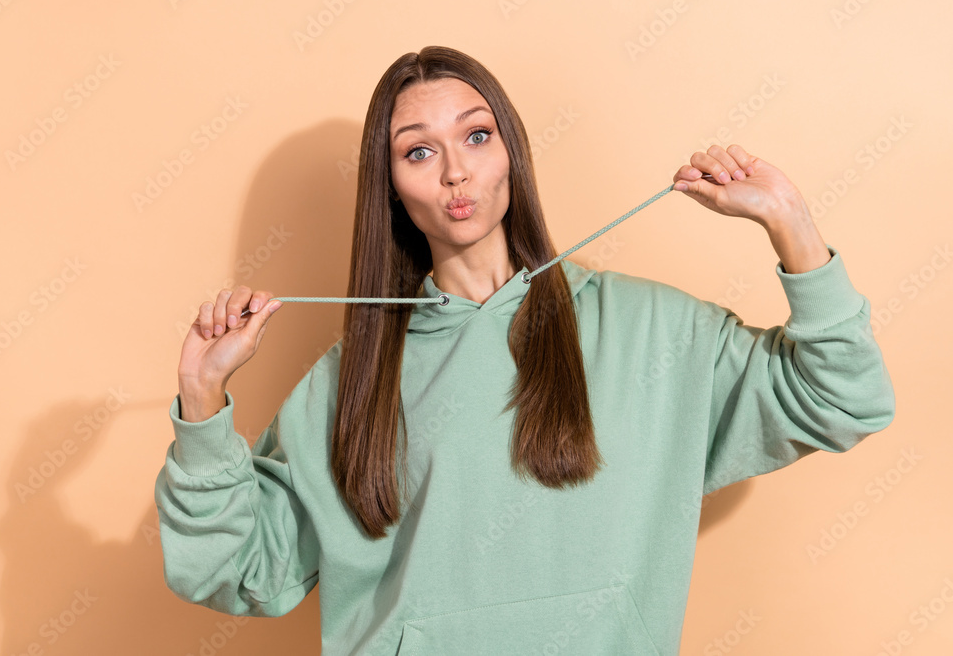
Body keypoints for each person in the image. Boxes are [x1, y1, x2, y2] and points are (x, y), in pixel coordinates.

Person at [154, 45, 896, 655]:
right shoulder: (348, 382)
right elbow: (237, 570)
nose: (456, 172)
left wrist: (788, 220)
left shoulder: (653, 331)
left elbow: (843, 397)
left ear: (512, 150)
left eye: (477, 136)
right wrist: (201, 398)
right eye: (419, 151)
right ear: (390, 188)